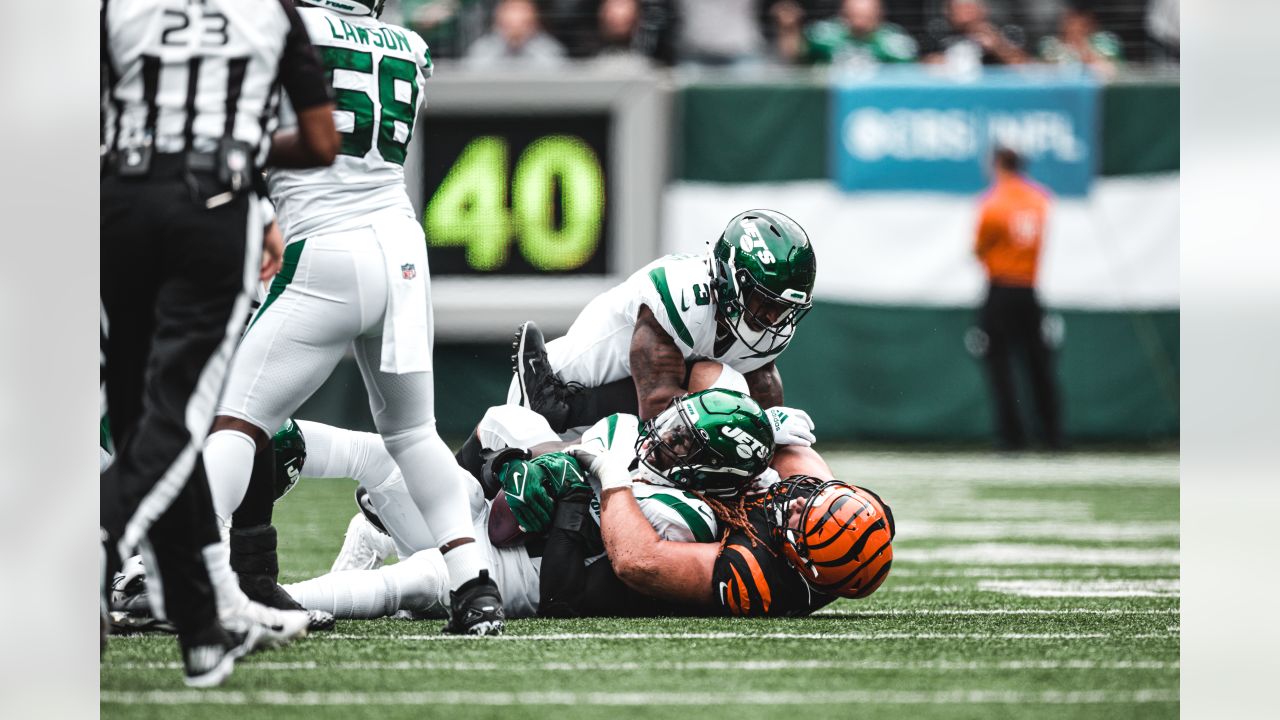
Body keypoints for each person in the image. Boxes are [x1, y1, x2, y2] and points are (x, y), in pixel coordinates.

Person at [199, 0, 507, 636]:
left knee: (233, 418)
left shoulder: (284, 27)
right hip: (401, 249)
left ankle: (199, 577)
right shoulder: (408, 47)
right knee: (416, 435)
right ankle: (474, 586)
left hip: (326, 247)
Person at [100, 0, 339, 685]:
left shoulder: (118, 7)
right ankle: (93, 544)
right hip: (212, 208)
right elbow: (321, 142)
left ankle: (206, 628)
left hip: (120, 203)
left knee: (141, 417)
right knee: (178, 420)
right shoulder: (272, 13)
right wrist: (234, 153)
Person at [493, 209, 817, 446]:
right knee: (721, 390)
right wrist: (758, 424)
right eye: (765, 301)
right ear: (730, 279)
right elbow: (658, 414)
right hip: (550, 409)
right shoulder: (681, 294)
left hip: (626, 433)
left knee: (728, 396)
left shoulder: (770, 329)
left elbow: (767, 425)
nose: (774, 318)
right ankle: (559, 406)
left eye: (785, 307)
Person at [973, 147, 1064, 451]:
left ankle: (1012, 437)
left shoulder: (992, 202)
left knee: (1001, 368)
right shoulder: (1041, 199)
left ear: (998, 163)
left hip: (1000, 289)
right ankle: (1052, 434)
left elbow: (979, 248)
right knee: (1039, 365)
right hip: (1029, 290)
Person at [773, 0, 918, 66]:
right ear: (844, 13)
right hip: (830, 100)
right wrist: (789, 30)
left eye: (866, 16)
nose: (860, 22)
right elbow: (795, 56)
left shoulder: (894, 42)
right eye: (855, 15)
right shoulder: (825, 35)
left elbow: (909, 77)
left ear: (879, 15)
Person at [463, 0, 569, 69]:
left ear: (533, 21)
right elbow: (471, 77)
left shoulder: (548, 50)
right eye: (510, 11)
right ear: (499, 19)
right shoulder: (483, 49)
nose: (516, 19)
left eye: (522, 12)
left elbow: (557, 77)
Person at [923, 0, 1028, 67]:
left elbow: (1024, 65)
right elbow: (924, 63)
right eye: (957, 9)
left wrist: (997, 46)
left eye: (968, 8)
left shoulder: (1001, 31)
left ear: (982, 10)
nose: (963, 15)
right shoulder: (941, 34)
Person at [1038, 4, 1122, 79]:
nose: (1076, 27)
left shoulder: (1104, 41)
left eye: (1081, 23)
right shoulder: (1051, 44)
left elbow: (1114, 71)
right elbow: (1042, 72)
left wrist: (1085, 49)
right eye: (1071, 22)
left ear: (1089, 23)